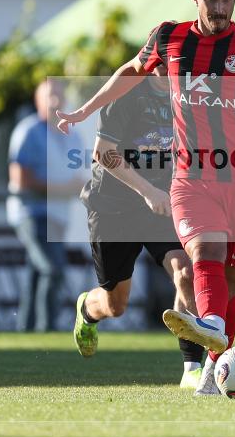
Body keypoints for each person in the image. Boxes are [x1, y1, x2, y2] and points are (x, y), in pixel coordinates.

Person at [56, 0, 235, 395]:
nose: (220, 9)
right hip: (179, 182)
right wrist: (84, 111)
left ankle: (212, 362)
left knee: (231, 277)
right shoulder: (170, 39)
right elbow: (128, 73)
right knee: (197, 258)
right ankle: (211, 353)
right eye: (211, 0)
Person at [71, 64, 206, 389]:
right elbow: (103, 153)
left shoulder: (190, 96)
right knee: (115, 305)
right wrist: (148, 191)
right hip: (114, 208)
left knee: (185, 272)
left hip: (161, 205)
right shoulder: (125, 94)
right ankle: (87, 310)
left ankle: (191, 369)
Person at [8, 80, 84, 332]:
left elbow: (80, 175)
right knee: (52, 270)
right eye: (49, 96)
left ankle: (25, 332)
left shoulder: (71, 133)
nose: (54, 102)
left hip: (59, 217)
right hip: (32, 214)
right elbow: (21, 179)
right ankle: (45, 330)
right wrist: (62, 189)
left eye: (59, 96)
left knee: (36, 274)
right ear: (37, 100)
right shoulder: (28, 131)